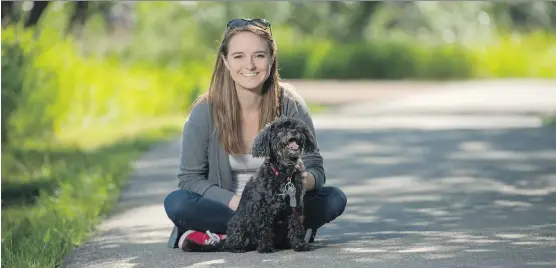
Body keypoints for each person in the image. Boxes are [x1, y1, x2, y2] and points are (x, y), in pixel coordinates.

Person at [163, 18, 347, 251]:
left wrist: (302, 180)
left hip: (280, 205)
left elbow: (316, 170)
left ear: (271, 59)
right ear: (225, 61)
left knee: (333, 198)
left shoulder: (290, 104)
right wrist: (240, 202)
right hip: (228, 207)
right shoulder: (205, 111)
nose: (249, 65)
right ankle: (278, 235)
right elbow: (189, 179)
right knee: (177, 203)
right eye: (238, 56)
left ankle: (222, 236)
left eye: (259, 55)